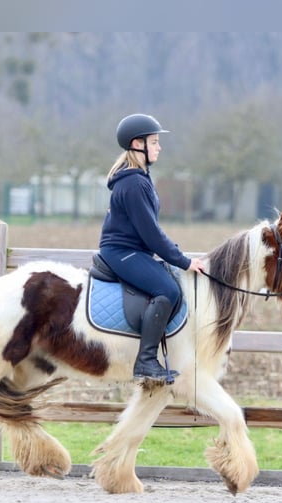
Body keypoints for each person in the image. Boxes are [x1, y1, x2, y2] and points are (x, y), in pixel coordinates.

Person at [99, 113, 205, 383]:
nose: (159, 147)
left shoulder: (139, 178)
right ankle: (146, 362)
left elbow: (151, 233)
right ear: (138, 144)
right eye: (155, 142)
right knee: (167, 289)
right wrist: (183, 260)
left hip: (133, 250)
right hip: (122, 252)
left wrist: (175, 255)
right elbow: (151, 234)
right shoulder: (134, 183)